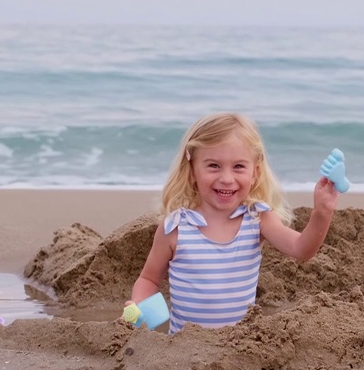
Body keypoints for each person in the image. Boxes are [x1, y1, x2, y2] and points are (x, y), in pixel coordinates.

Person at [126, 112, 340, 334]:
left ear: (255, 173)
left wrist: (322, 213)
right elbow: (149, 279)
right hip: (184, 348)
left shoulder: (257, 218)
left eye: (238, 166)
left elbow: (301, 249)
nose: (227, 178)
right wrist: (137, 304)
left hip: (239, 348)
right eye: (213, 166)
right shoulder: (176, 227)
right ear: (192, 171)